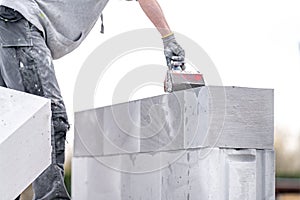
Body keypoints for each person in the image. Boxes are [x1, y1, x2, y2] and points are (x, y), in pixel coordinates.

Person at [0, 0, 185, 199]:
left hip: (10, 21)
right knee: (49, 117)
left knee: (12, 123)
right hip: (18, 19)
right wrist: (168, 38)